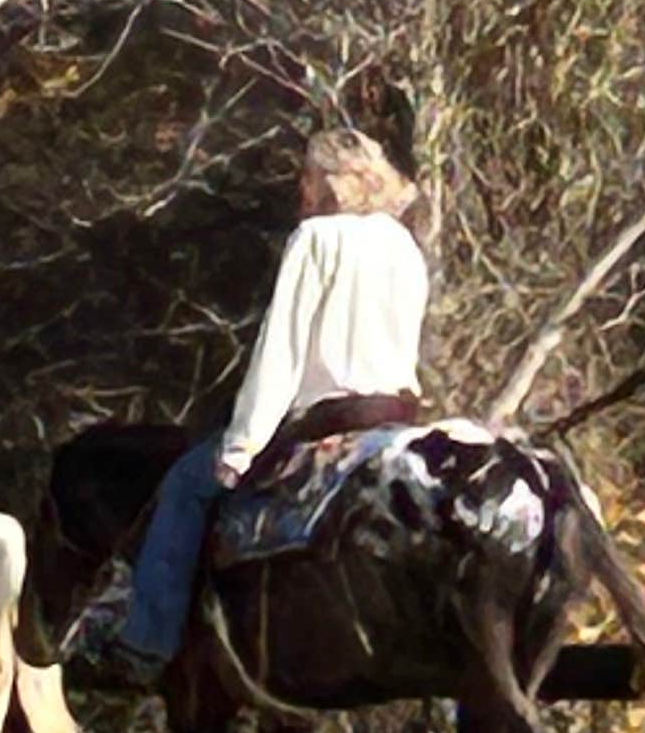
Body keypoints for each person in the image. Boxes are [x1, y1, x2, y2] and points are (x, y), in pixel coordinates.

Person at [74, 129, 427, 687]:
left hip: (330, 420)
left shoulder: (316, 238)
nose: (300, 189)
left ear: (330, 183)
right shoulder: (402, 244)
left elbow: (280, 355)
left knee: (187, 484)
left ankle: (146, 642)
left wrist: (241, 448)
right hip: (397, 420)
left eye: (307, 177)